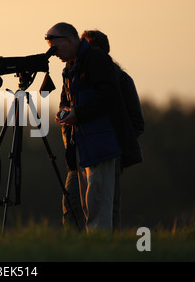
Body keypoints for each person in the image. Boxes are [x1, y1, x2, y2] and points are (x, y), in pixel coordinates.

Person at [44, 22, 142, 232]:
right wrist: (65, 114)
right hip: (81, 146)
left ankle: (101, 249)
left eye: (55, 47)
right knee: (82, 205)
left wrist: (77, 115)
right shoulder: (71, 68)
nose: (54, 53)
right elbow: (67, 102)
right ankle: (83, 248)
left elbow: (111, 101)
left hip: (102, 145)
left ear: (71, 41)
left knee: (100, 206)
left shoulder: (100, 65)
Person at [81, 30, 144, 230]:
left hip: (108, 153)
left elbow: (136, 121)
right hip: (81, 153)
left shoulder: (121, 79)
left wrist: (114, 145)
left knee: (108, 206)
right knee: (76, 204)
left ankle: (109, 249)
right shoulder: (76, 77)